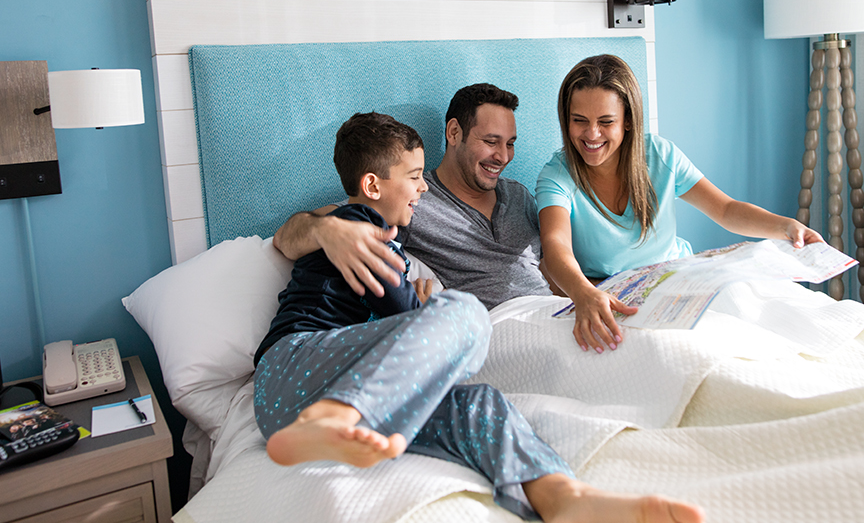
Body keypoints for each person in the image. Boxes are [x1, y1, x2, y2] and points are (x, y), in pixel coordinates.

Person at [255, 111, 706, 523]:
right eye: (414, 176)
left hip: (313, 402)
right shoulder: (356, 225)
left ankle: (560, 496)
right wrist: (426, 308)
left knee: (480, 405)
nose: (423, 187)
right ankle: (333, 418)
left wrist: (416, 307)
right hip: (294, 369)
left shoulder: (397, 234)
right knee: (465, 311)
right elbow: (300, 243)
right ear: (374, 186)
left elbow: (396, 323)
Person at [536, 54, 825, 354]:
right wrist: (583, 293)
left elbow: (725, 209)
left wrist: (787, 227)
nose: (591, 134)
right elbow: (555, 244)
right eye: (579, 121)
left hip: (679, 279)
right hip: (613, 294)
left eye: (606, 122)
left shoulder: (660, 156)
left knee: (766, 319)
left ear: (628, 122)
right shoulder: (557, 176)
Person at [273, 84, 554, 309]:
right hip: (500, 329)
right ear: (454, 132)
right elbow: (286, 236)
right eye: (491, 142)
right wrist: (326, 229)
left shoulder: (518, 194)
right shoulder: (409, 201)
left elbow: (548, 267)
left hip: (554, 312)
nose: (503, 156)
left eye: (510, 144)